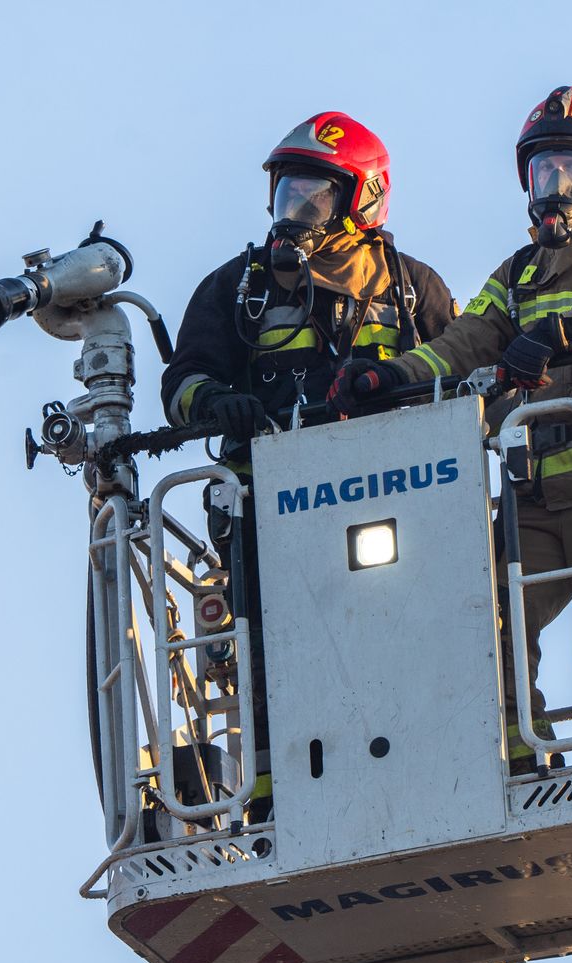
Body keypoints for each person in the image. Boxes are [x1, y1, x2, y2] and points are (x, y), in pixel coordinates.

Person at [330, 86, 572, 771]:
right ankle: (513, 758)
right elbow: (463, 341)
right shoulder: (520, 272)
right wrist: (387, 375)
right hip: (537, 488)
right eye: (542, 171)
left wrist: (564, 331)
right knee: (486, 612)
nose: (554, 187)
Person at [161, 111, 456, 817]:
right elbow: (181, 384)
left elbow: (461, 375)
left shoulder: (412, 288)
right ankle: (273, 795)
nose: (294, 210)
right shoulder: (237, 288)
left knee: (421, 627)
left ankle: (436, 768)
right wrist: (217, 402)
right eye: (287, 192)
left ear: (361, 199)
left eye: (313, 194)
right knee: (273, 645)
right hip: (268, 504)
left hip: (396, 497)